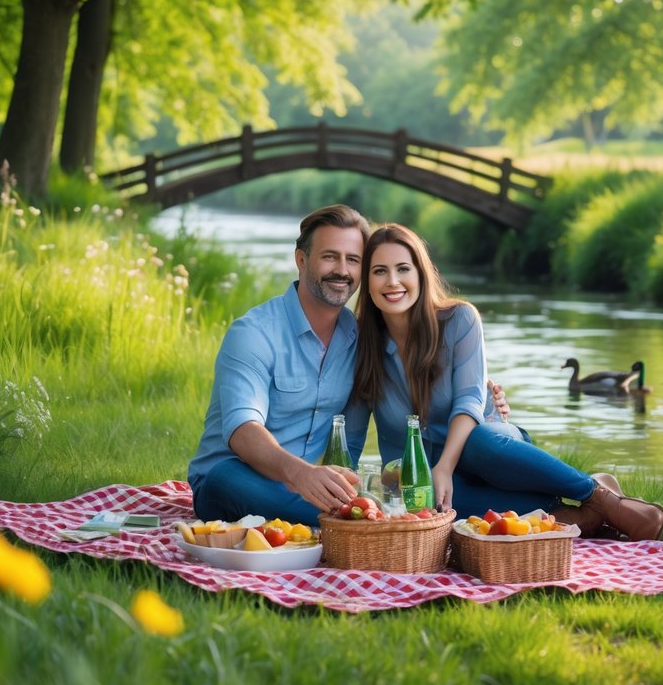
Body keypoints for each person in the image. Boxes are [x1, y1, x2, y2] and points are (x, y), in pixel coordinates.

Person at [187, 205, 509, 527]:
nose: (342, 270)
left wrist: (482, 392)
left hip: (308, 489)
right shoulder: (254, 334)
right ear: (301, 260)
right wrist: (301, 473)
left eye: (353, 260)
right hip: (236, 481)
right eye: (329, 256)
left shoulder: (359, 339)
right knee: (225, 477)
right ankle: (376, 529)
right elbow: (243, 430)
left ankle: (545, 508)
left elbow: (409, 384)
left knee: (418, 498)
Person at [350, 223, 663, 542]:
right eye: (379, 271)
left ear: (420, 274)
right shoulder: (361, 346)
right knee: (428, 503)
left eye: (403, 268)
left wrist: (445, 466)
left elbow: (469, 402)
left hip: (489, 447)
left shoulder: (460, 320)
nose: (392, 281)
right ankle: (578, 517)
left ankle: (601, 498)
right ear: (367, 281)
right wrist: (347, 492)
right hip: (422, 476)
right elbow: (350, 434)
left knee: (480, 441)